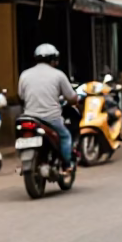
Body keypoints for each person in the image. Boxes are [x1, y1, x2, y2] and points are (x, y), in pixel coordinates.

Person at [17, 43, 78, 173]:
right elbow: (72, 97)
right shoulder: (58, 75)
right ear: (53, 59)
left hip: (29, 117)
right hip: (51, 118)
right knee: (65, 136)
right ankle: (67, 165)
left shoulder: (24, 75)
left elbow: (20, 96)